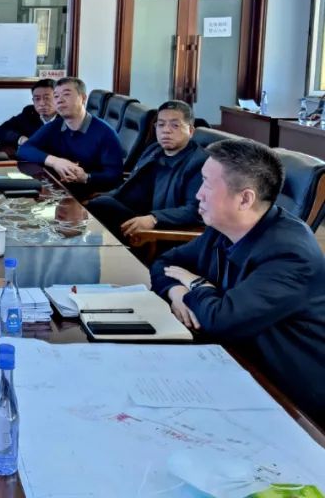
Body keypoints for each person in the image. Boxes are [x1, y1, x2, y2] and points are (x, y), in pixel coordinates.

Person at [150, 139, 325, 423]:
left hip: (288, 399)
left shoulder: (290, 255)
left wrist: (196, 284)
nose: (198, 194)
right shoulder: (222, 228)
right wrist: (177, 290)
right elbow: (165, 262)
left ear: (245, 199)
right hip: (229, 363)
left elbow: (222, 320)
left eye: (207, 184)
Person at [87, 100, 208, 239]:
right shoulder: (154, 150)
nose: (166, 130)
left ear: (191, 131)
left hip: (161, 230)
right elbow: (131, 185)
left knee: (99, 209)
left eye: (175, 125)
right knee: (97, 206)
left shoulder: (199, 163)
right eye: (161, 124)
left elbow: (195, 210)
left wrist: (154, 218)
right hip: (137, 215)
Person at [16, 77, 124, 197]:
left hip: (89, 195)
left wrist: (86, 177)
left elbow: (115, 176)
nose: (60, 100)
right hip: (59, 189)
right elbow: (24, 149)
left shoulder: (105, 133)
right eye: (56, 96)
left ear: (83, 98)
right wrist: (55, 162)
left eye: (66, 94)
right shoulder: (55, 126)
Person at [0, 79, 59, 146]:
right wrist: (21, 139)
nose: (42, 103)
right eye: (37, 99)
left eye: (47, 98)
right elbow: (1, 131)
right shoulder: (29, 113)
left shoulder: (65, 116)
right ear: (33, 101)